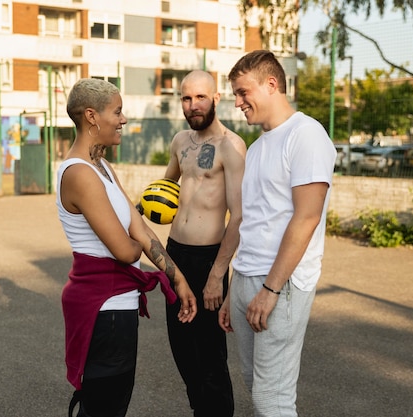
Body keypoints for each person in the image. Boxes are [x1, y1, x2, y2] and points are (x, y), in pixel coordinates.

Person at [56, 78, 197, 417]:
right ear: (92, 116)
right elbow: (126, 250)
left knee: (112, 405)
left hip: (119, 307)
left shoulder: (101, 167)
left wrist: (178, 278)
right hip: (104, 310)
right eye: (117, 112)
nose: (123, 119)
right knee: (105, 408)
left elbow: (138, 227)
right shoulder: (80, 174)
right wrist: (132, 236)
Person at [218, 50, 337, 416]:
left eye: (242, 92)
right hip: (247, 279)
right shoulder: (256, 148)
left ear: (272, 84)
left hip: (281, 286)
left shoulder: (307, 135)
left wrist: (270, 290)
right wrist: (233, 291)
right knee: (257, 387)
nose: (237, 102)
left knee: (273, 399)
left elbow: (306, 218)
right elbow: (250, 220)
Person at [162, 70, 246, 417]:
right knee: (182, 351)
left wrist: (217, 275)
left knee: (210, 357)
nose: (193, 105)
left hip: (208, 260)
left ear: (216, 98)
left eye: (200, 97)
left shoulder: (231, 145)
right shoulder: (180, 141)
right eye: (186, 98)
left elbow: (239, 217)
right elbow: (164, 189)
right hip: (175, 256)